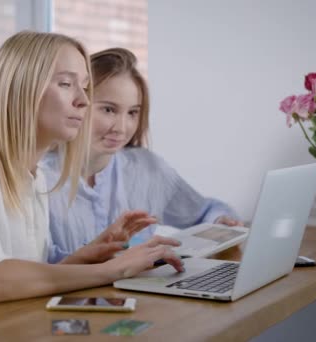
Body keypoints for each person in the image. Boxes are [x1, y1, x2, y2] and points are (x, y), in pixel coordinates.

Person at [0, 32, 183, 317]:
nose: (83, 100)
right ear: (23, 88)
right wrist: (112, 270)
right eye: (66, 84)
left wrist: (92, 251)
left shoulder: (34, 176)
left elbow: (22, 280)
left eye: (85, 87)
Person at [42, 48, 243, 264]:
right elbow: (35, 267)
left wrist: (220, 221)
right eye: (109, 110)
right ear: (77, 103)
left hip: (139, 296)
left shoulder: (147, 168)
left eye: (132, 113)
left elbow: (206, 210)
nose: (121, 128)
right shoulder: (39, 178)